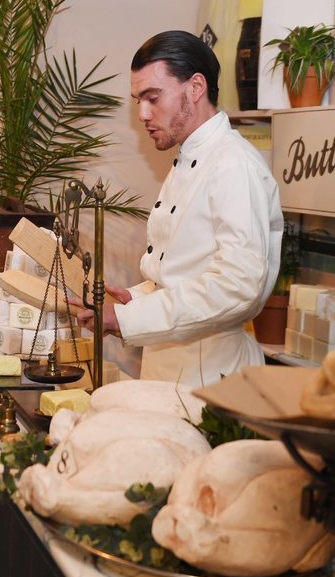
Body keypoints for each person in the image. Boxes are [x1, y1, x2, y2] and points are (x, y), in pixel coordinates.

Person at [76, 30, 283, 386]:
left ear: (195, 87)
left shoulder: (233, 164)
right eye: (138, 100)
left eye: (152, 98)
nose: (142, 113)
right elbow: (186, 268)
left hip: (211, 378)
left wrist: (127, 320)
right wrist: (137, 297)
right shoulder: (189, 157)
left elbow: (238, 287)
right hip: (169, 366)